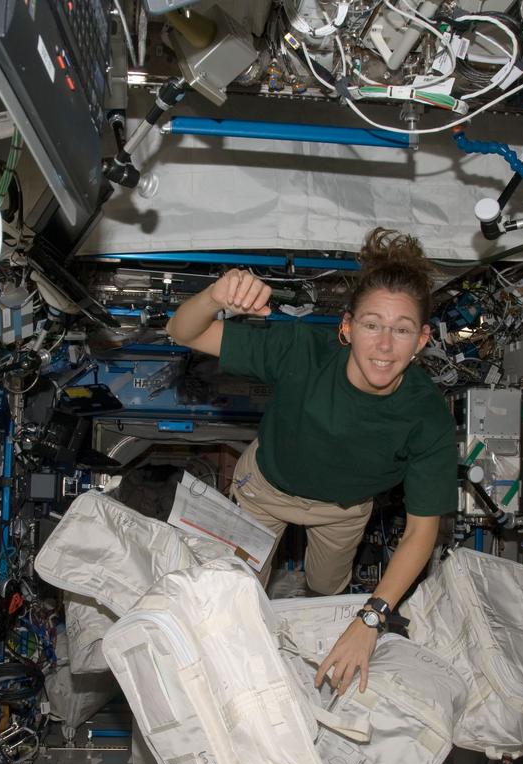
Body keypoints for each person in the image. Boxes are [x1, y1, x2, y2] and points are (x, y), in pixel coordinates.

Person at [165, 228, 457, 696]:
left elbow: (422, 531)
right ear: (346, 327)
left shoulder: (426, 417)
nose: (384, 345)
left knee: (326, 594)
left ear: (421, 339)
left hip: (341, 512)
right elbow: (183, 330)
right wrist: (216, 294)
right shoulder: (299, 351)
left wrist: (370, 619)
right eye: (371, 325)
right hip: (264, 491)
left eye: (401, 329)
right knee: (232, 593)